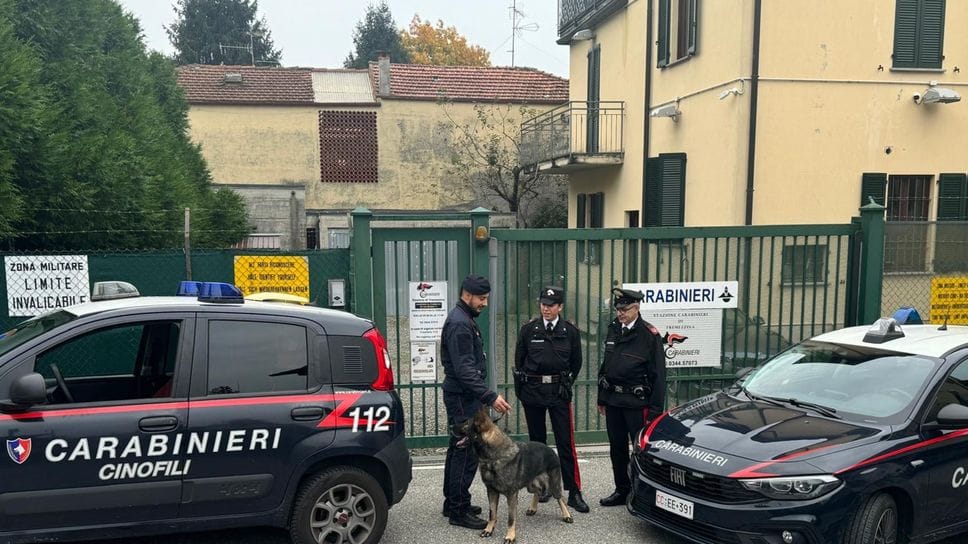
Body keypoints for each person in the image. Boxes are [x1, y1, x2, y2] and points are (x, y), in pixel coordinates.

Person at [441, 274, 512, 529]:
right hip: (463, 397)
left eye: (486, 298)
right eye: (481, 298)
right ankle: (458, 511)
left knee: (457, 448)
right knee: (466, 451)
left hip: (464, 395)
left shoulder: (464, 318)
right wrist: (490, 396)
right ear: (467, 294)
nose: (484, 303)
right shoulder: (460, 323)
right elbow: (464, 370)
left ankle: (453, 502)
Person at [513, 286, 589, 513]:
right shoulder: (528, 330)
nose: (546, 308)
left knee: (566, 444)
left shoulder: (570, 332)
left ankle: (574, 492)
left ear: (560, 307)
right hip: (534, 393)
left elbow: (576, 363)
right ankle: (542, 488)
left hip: (558, 393)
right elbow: (520, 360)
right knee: (537, 444)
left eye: (551, 305)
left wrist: (564, 383)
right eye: (543, 304)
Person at [597, 287, 666, 507]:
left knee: (639, 450)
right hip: (614, 401)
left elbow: (658, 376)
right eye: (618, 309)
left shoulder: (649, 335)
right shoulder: (614, 329)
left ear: (637, 308)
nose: (620, 313)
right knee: (616, 448)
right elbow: (605, 365)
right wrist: (602, 397)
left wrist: (655, 411)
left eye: (625, 309)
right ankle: (621, 489)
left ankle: (641, 492)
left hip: (637, 404)